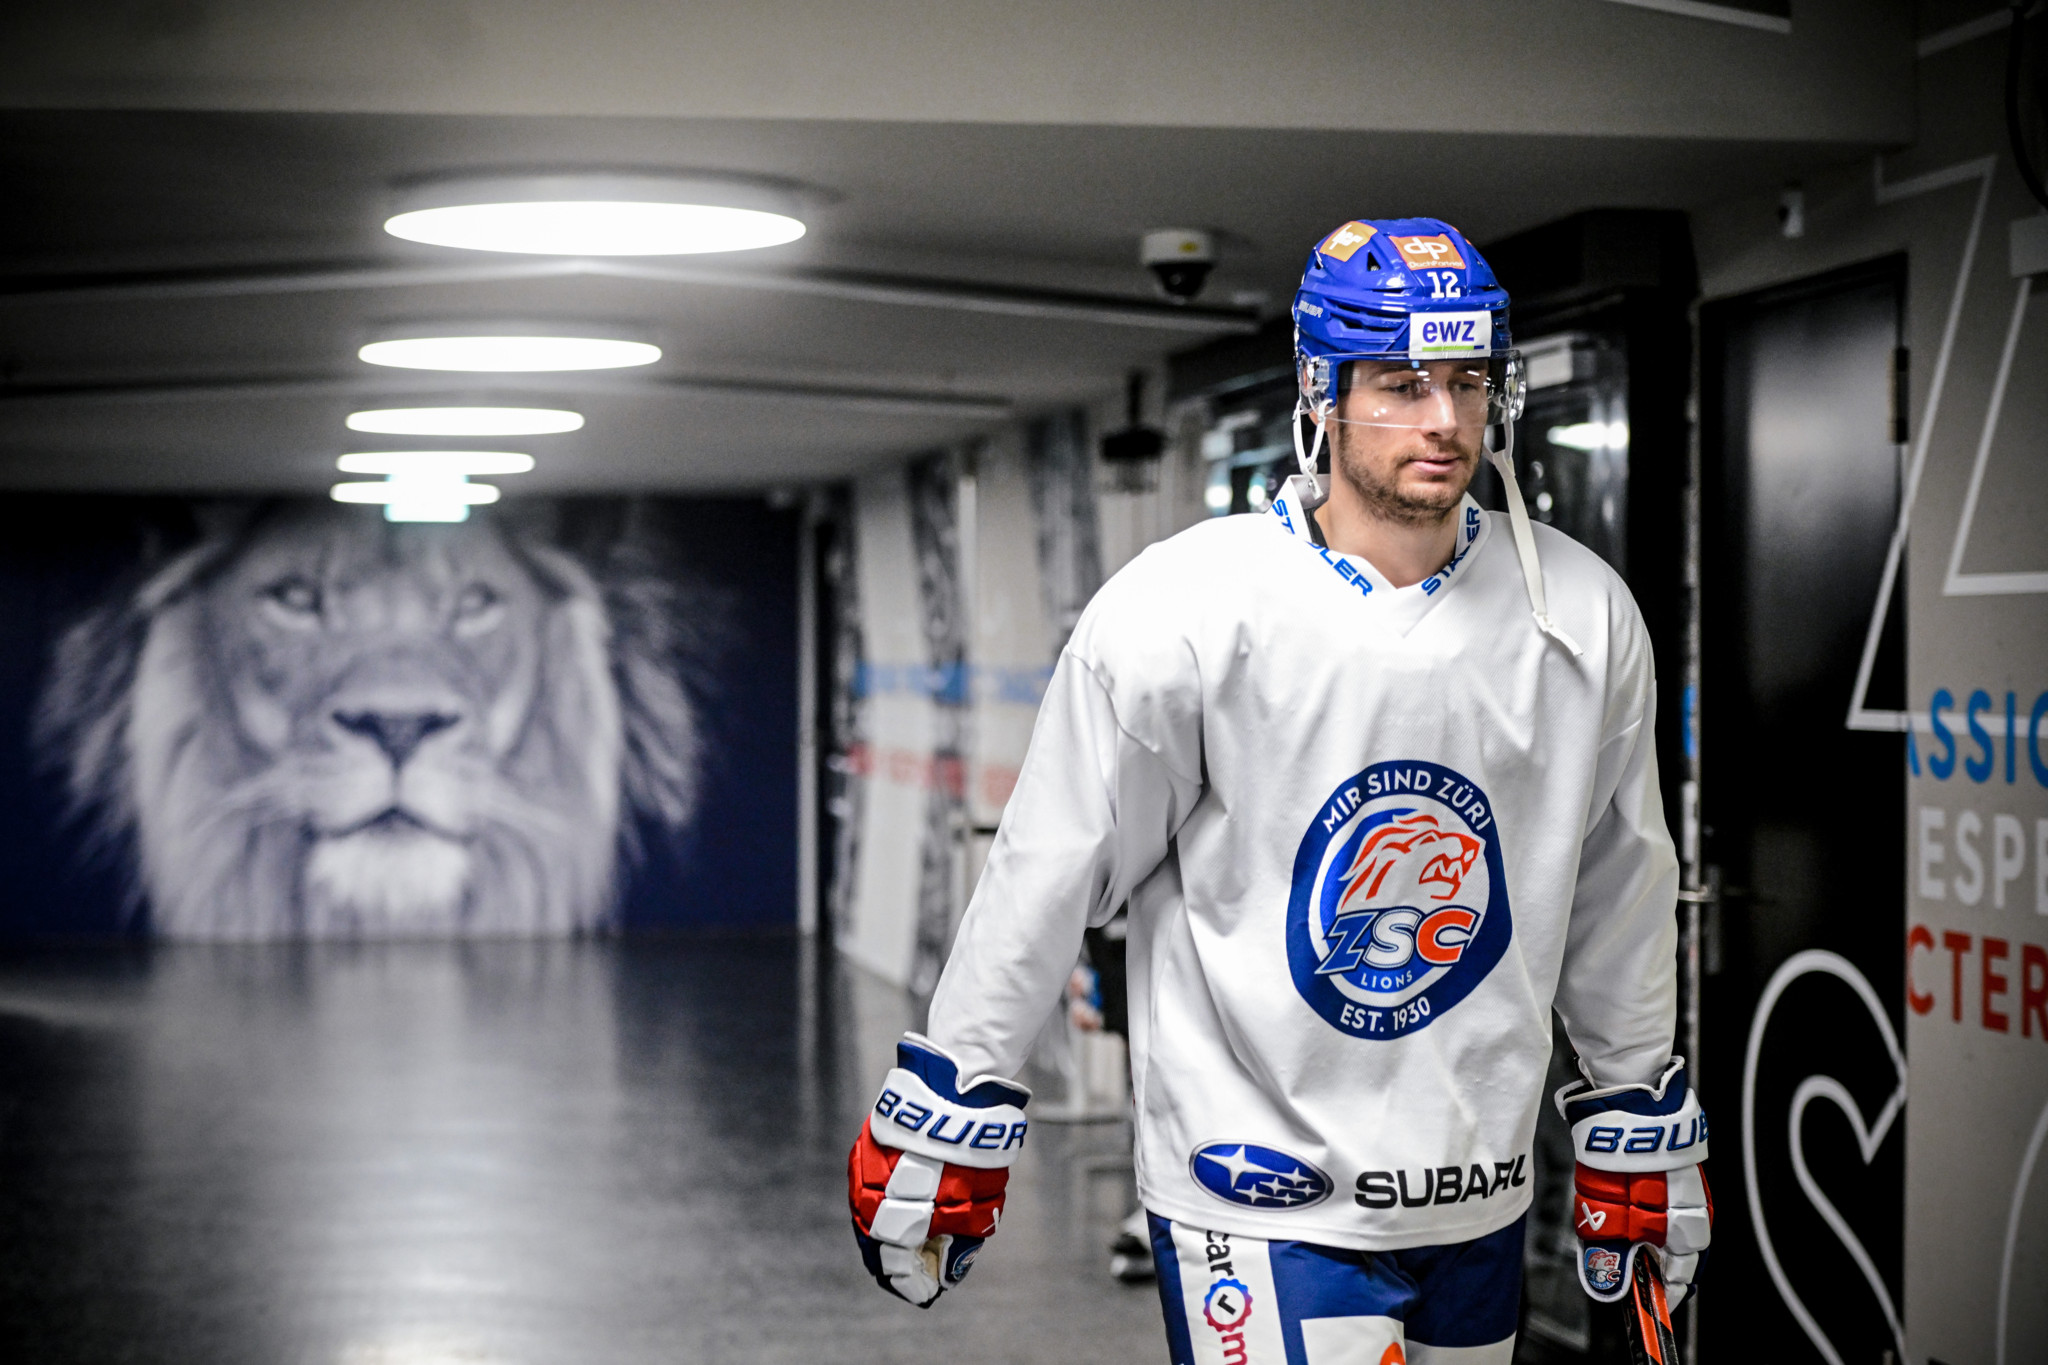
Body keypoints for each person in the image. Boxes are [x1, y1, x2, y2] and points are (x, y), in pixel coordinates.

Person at [846, 217, 1711, 1364]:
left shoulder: (1581, 613)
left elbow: (1614, 879)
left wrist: (1633, 1104)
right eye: (1401, 382)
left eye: (1465, 381)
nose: (1443, 420)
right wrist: (961, 1087)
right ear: (1322, 388)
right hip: (1252, 1192)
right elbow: (1049, 864)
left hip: (1476, 1190)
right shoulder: (1184, 609)